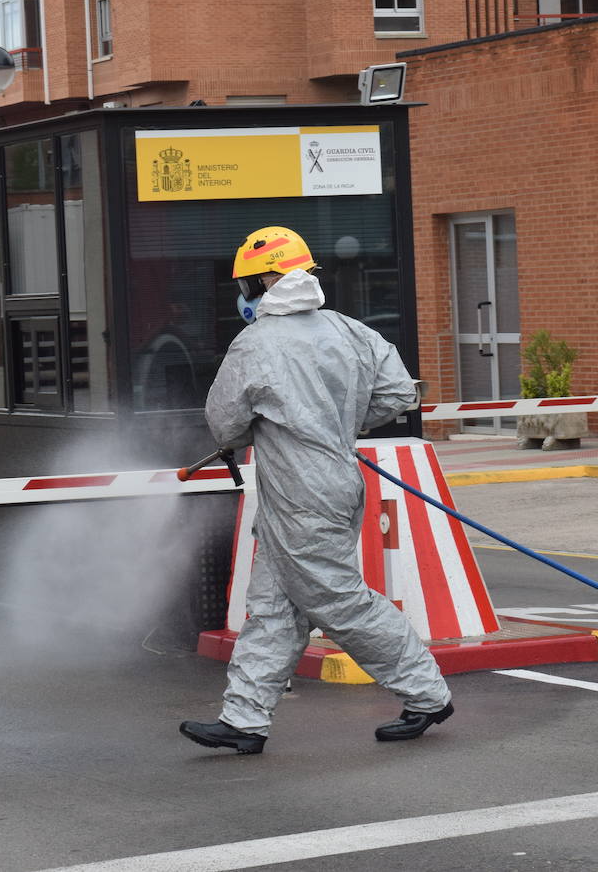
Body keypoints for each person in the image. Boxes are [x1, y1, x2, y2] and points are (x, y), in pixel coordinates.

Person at [180, 226, 452, 755]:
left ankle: (426, 693)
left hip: (301, 492)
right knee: (275, 605)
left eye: (245, 283)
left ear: (262, 280)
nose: (242, 293)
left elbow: (225, 427)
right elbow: (399, 393)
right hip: (334, 481)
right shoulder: (352, 331)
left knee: (337, 600)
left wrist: (277, 427)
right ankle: (244, 720)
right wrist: (339, 423)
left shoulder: (255, 343)